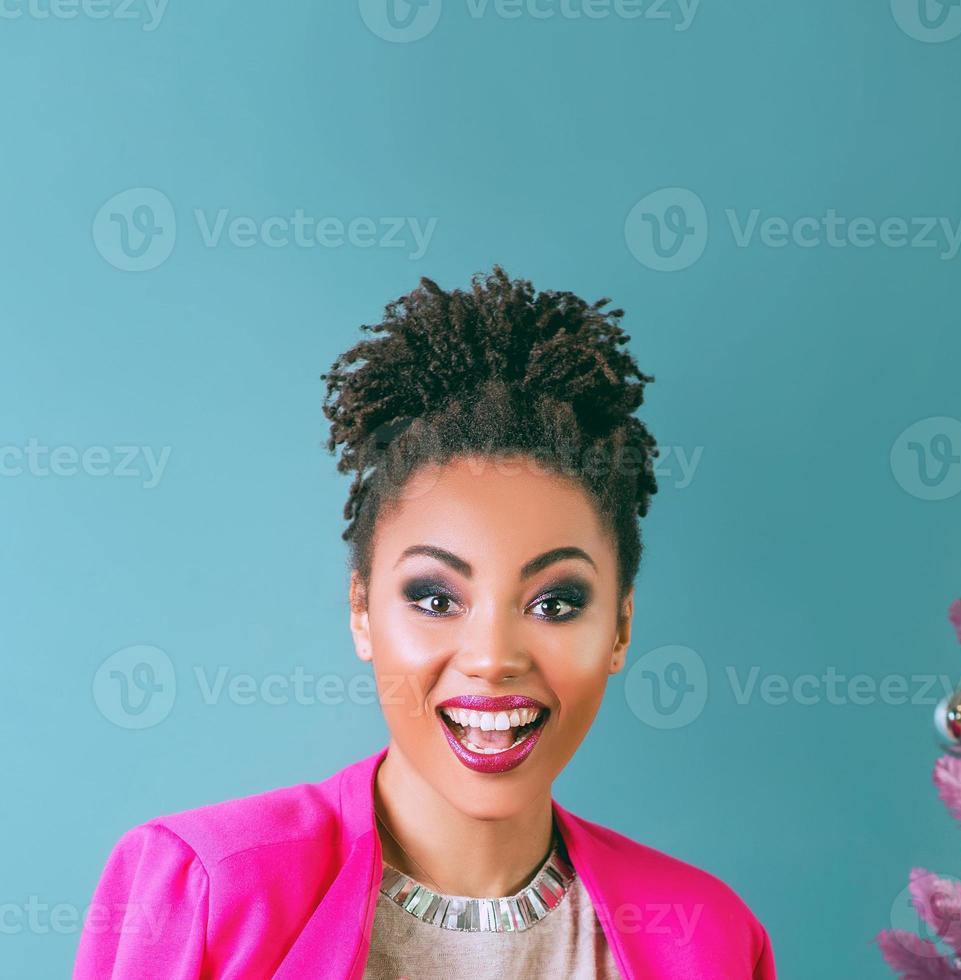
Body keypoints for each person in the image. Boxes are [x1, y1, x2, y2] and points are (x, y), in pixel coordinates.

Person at [73, 268, 776, 979]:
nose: (493, 657)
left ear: (620, 629)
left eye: (554, 603)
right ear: (361, 611)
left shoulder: (706, 935)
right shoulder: (206, 890)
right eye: (436, 599)